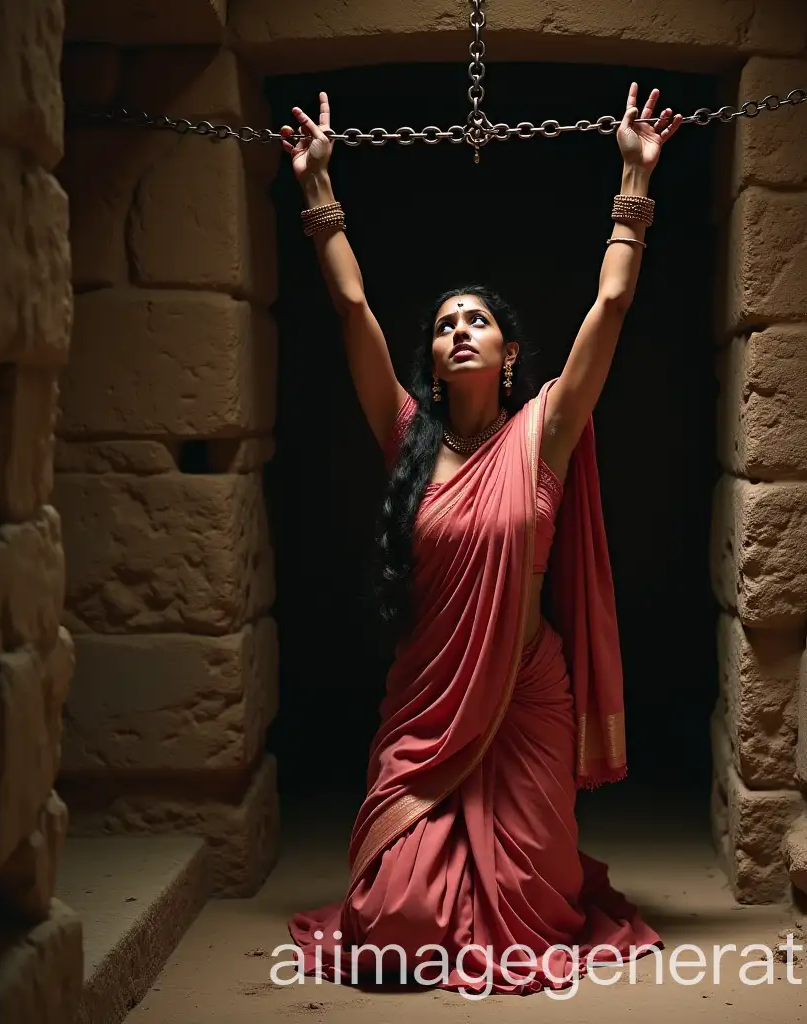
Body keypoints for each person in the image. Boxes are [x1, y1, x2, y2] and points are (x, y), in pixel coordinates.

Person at [279, 84, 682, 996]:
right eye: (444, 325)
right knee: (389, 925)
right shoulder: (405, 436)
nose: (459, 331)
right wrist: (317, 191)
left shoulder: (545, 431)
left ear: (508, 352)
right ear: (432, 358)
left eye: (478, 321)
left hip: (524, 698)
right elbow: (353, 313)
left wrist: (634, 176)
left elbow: (611, 308)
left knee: (541, 905)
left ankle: (518, 882)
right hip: (428, 702)